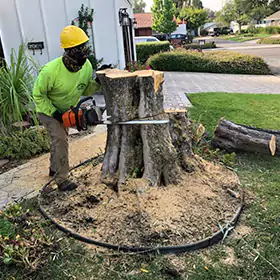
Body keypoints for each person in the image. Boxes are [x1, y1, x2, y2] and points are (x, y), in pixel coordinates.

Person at [33, 26, 104, 192]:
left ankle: (54, 167)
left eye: (85, 47)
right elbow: (38, 95)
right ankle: (62, 179)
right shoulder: (51, 71)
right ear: (69, 51)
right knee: (60, 139)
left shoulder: (85, 66)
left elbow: (85, 88)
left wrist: (99, 80)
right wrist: (55, 114)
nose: (84, 52)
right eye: (79, 49)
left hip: (66, 109)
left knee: (58, 139)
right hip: (47, 110)